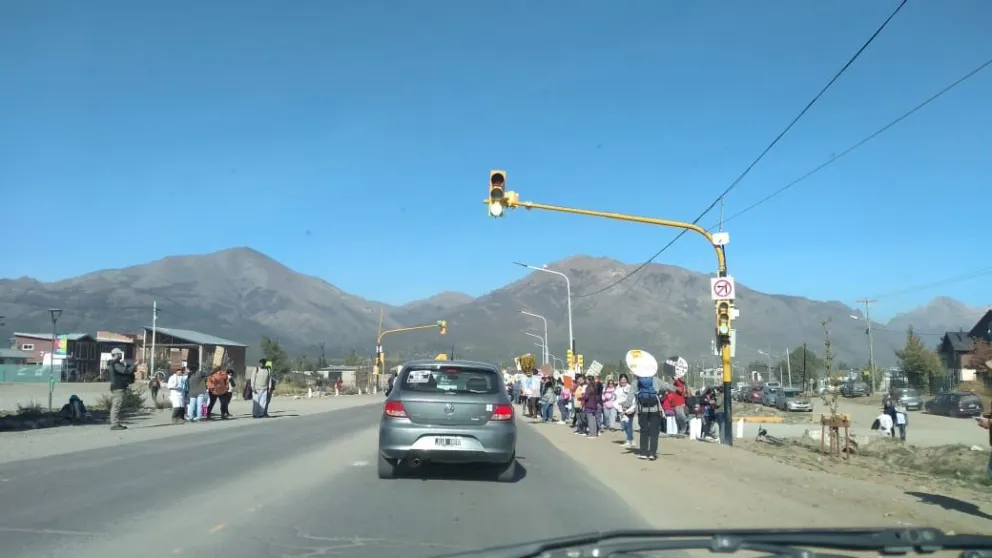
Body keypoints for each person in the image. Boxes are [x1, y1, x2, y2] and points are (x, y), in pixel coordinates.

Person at [106, 348, 135, 430]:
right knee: (116, 406)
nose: (121, 355)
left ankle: (116, 423)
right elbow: (124, 371)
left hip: (115, 387)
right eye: (119, 354)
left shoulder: (113, 363)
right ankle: (114, 424)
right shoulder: (115, 363)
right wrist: (133, 366)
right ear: (115, 354)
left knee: (116, 406)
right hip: (118, 387)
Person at [635, 375, 662, 460]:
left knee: (644, 431)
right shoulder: (655, 379)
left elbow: (631, 393)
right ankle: (652, 453)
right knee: (654, 432)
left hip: (642, 409)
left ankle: (643, 452)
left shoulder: (637, 380)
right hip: (655, 409)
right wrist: (675, 388)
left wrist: (626, 405)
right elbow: (666, 386)